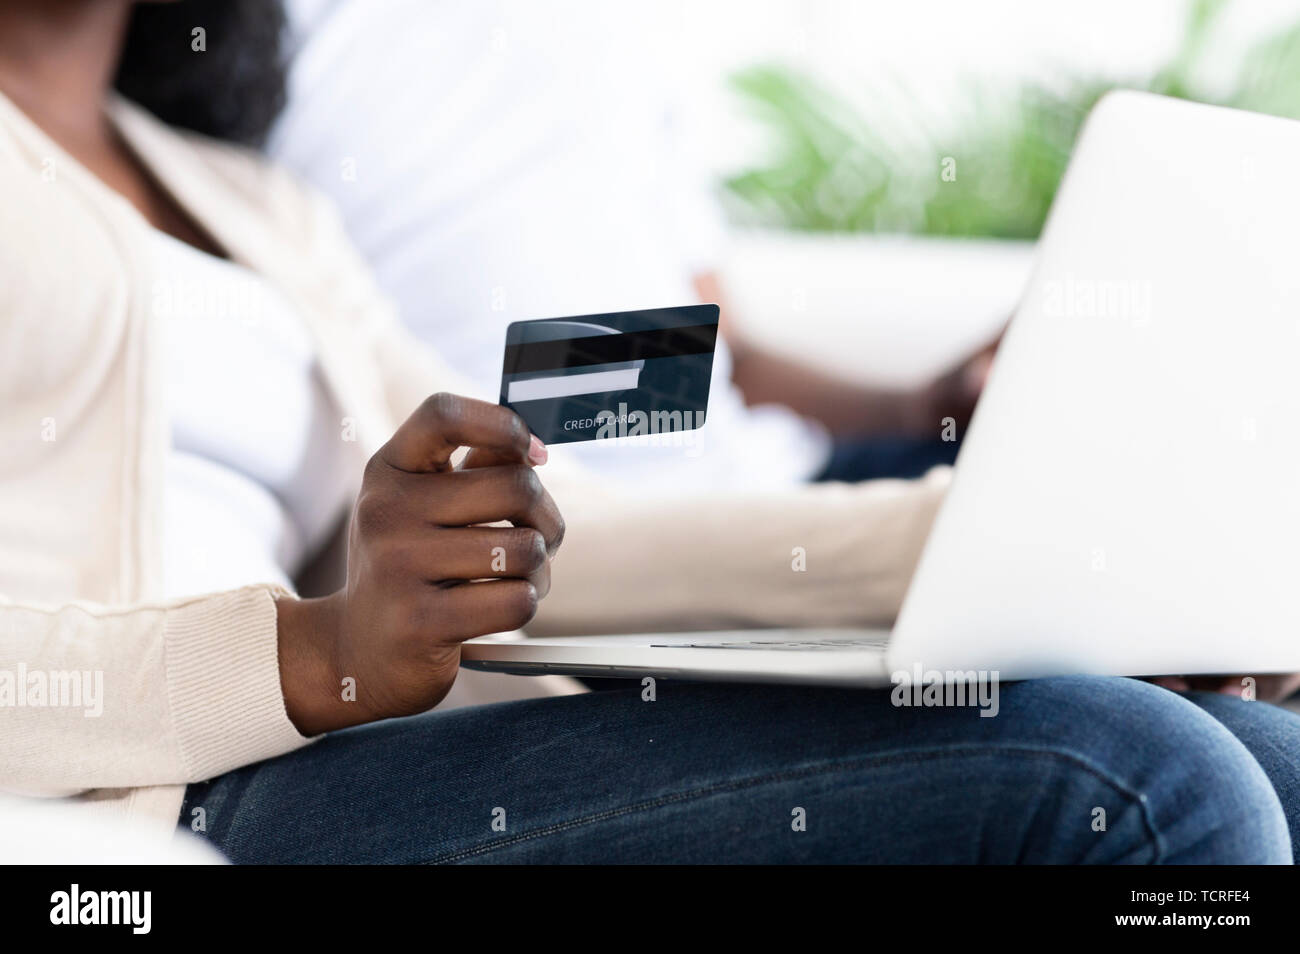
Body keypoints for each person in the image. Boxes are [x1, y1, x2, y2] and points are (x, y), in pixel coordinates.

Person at [0, 0, 1296, 864]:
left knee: (1265, 753)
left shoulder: (258, 197)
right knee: (1137, 774)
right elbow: (538, 357)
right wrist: (312, 647)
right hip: (200, 750)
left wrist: (994, 525)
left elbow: (678, 315)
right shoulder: (365, 51)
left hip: (509, 617)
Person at [270, 0, 991, 492]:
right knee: (1070, 708)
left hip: (780, 484)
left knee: (1069, 479)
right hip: (585, 549)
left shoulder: (602, 28)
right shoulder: (245, 41)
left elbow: (722, 361)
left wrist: (918, 406)